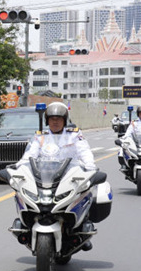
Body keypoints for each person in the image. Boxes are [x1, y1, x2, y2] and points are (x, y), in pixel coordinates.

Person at [15, 102, 99, 243]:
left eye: (58, 119)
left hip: (68, 176)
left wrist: (91, 168)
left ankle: (82, 226)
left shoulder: (74, 135)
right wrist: (18, 168)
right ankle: (26, 225)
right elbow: (29, 155)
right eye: (52, 119)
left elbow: (84, 152)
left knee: (85, 192)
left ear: (64, 121)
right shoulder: (40, 136)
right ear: (47, 120)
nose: (55, 122)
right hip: (44, 177)